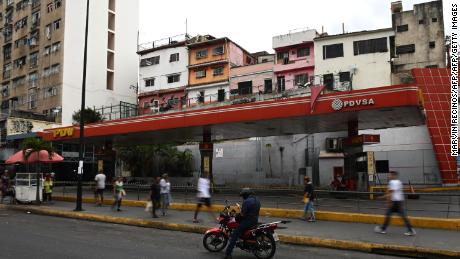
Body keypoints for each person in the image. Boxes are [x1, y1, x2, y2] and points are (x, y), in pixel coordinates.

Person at [374, 171, 416, 236]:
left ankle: (383, 229)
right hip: (399, 202)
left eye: (390, 175)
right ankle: (410, 230)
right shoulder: (399, 182)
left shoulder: (392, 182)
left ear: (393, 176)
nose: (389, 176)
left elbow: (391, 193)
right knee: (400, 216)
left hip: (394, 202)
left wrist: (382, 198)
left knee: (389, 215)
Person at [224, 188, 261, 259]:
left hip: (248, 222)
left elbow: (242, 215)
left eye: (243, 196)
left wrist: (236, 217)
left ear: (246, 195)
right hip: (255, 220)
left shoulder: (247, 201)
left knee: (235, 234)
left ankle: (228, 254)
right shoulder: (257, 200)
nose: (242, 197)